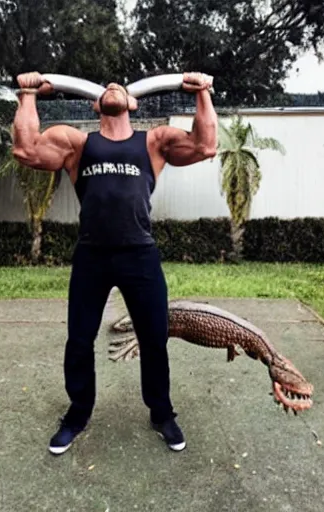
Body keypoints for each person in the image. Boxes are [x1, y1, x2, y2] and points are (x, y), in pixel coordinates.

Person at [12, 71, 218, 455]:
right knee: (79, 340)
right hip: (91, 256)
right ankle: (77, 414)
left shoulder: (153, 142)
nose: (112, 88)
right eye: (106, 89)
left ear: (133, 104)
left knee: (154, 340)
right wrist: (26, 94)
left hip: (140, 255)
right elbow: (26, 150)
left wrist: (203, 92)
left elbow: (206, 146)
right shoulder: (76, 144)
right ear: (95, 105)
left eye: (119, 88)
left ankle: (161, 413)